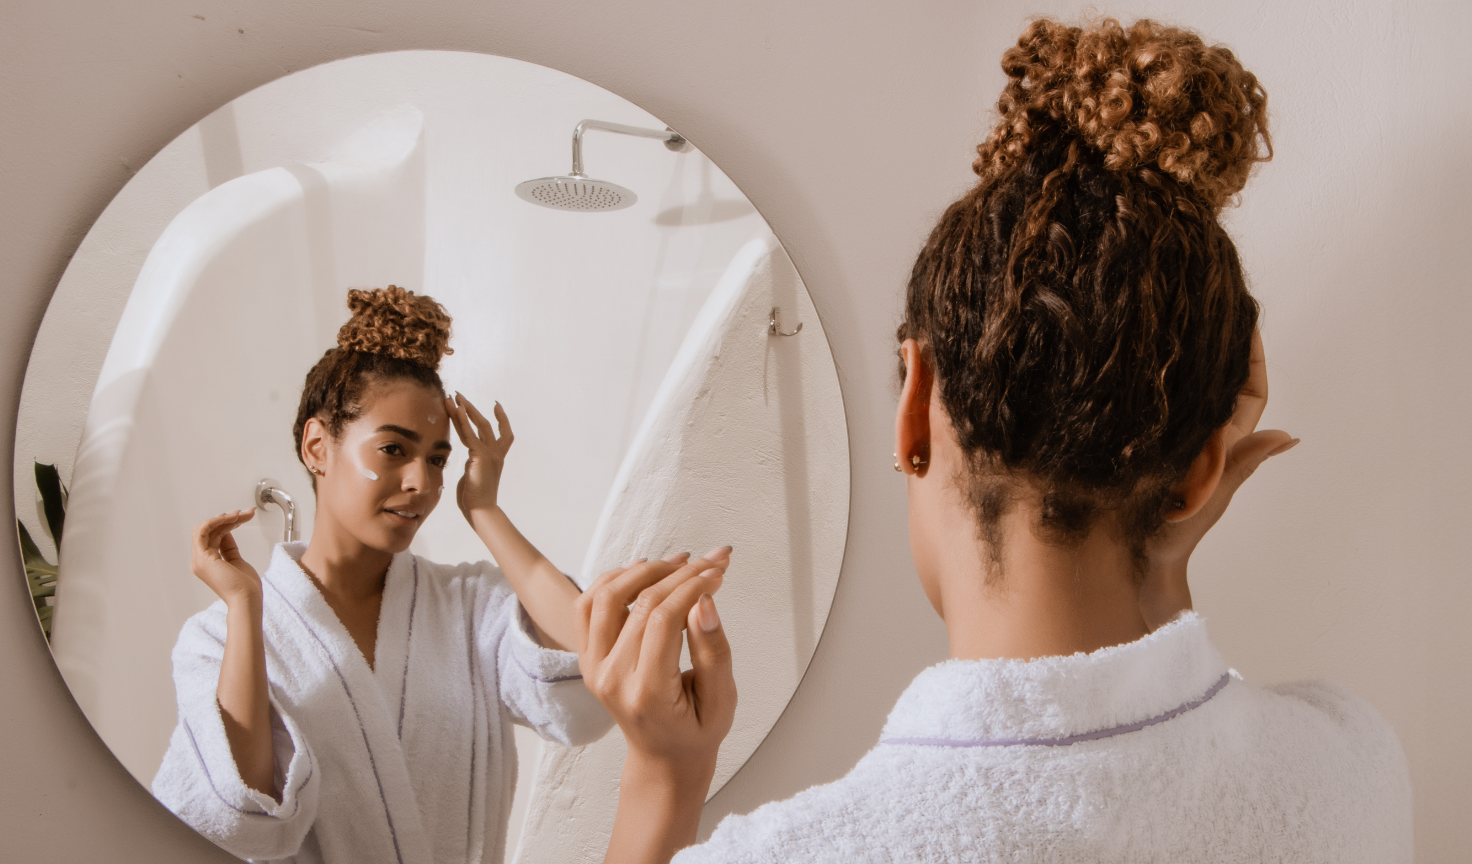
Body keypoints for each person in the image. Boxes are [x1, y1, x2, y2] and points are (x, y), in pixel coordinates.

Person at [573, 17, 1413, 863]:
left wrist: (662, 780)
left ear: (916, 403)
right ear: (1199, 472)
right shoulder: (1349, 763)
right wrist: (1159, 562)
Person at [151, 286, 702, 864]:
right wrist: (245, 606)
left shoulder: (467, 605)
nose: (424, 482)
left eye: (438, 459)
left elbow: (595, 675)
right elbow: (238, 820)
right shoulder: (215, 639)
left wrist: (484, 511)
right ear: (318, 446)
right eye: (394, 449)